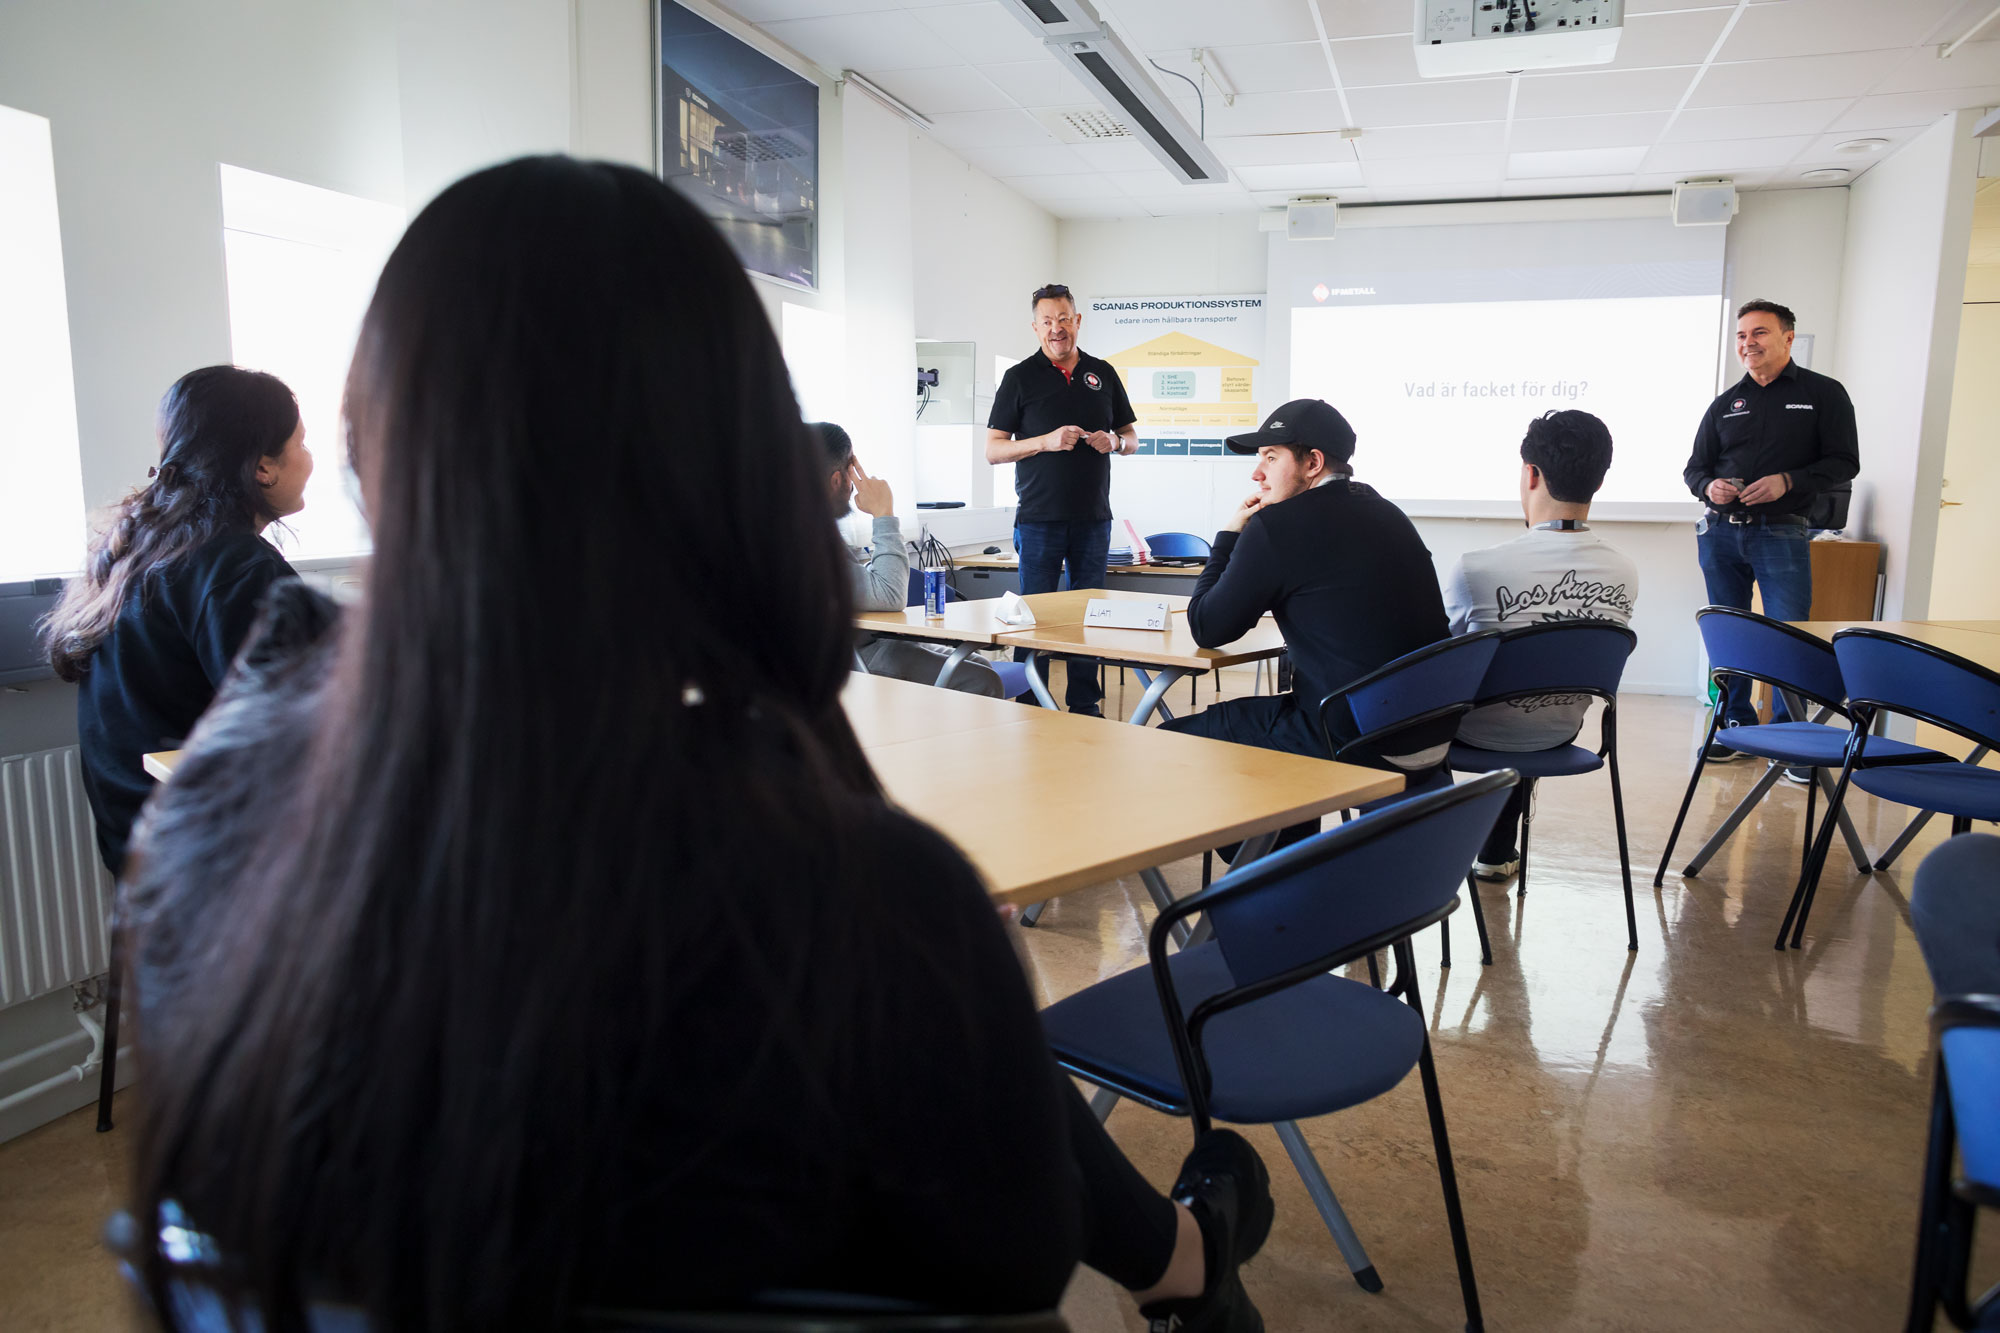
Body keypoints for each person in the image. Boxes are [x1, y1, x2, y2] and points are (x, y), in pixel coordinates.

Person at [119, 157, 1271, 1333]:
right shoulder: (863, 899)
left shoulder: (209, 836)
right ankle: (1188, 1261)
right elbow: (1015, 1263)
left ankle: (1188, 1258)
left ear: (369, 449)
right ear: (738, 460)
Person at [41, 365, 312, 878]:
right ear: (263, 468)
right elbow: (297, 727)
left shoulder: (135, 549)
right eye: (302, 442)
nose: (311, 460)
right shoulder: (237, 565)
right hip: (214, 860)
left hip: (141, 848)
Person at [1162, 399, 1449, 771]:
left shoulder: (1276, 527)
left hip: (1353, 735)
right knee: (1284, 724)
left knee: (1166, 740)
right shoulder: (1388, 512)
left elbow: (1208, 627)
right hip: (1430, 730)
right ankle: (1289, 830)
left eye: (1270, 457)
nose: (1256, 474)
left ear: (1312, 463)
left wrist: (1230, 534)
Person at [1442, 409, 1638, 881]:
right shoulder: (1624, 572)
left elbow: (1440, 662)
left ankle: (1424, 856)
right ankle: (1495, 850)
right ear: (1600, 479)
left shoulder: (1477, 567)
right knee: (1531, 695)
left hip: (1472, 736)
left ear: (1531, 473)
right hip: (1560, 732)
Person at [1685, 298, 1858, 760]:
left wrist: (1788, 481)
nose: (1748, 343)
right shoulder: (1725, 403)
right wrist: (1710, 486)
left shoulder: (1824, 393)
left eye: (1759, 333)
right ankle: (1734, 724)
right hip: (1721, 533)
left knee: (1788, 634)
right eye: (1742, 336)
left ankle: (1789, 738)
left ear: (1787, 337)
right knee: (1729, 633)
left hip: (1781, 532)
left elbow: (1845, 462)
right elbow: (1694, 469)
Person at [985, 282, 1137, 716]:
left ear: (1078, 321)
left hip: (1093, 518)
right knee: (1034, 617)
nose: (1057, 329)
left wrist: (1117, 442)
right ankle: (1030, 701)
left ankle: (1085, 702)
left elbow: (1132, 437)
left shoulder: (1102, 373)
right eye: (1048, 322)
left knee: (1089, 616)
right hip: (1038, 520)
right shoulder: (1018, 378)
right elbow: (994, 450)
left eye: (1064, 320)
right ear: (1035, 327)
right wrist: (1045, 442)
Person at [818, 421, 1002, 698]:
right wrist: (884, 513)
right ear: (836, 480)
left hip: (864, 641)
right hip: (841, 661)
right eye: (851, 472)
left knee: (976, 664)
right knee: (981, 681)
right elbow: (889, 594)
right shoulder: (803, 536)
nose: (855, 484)